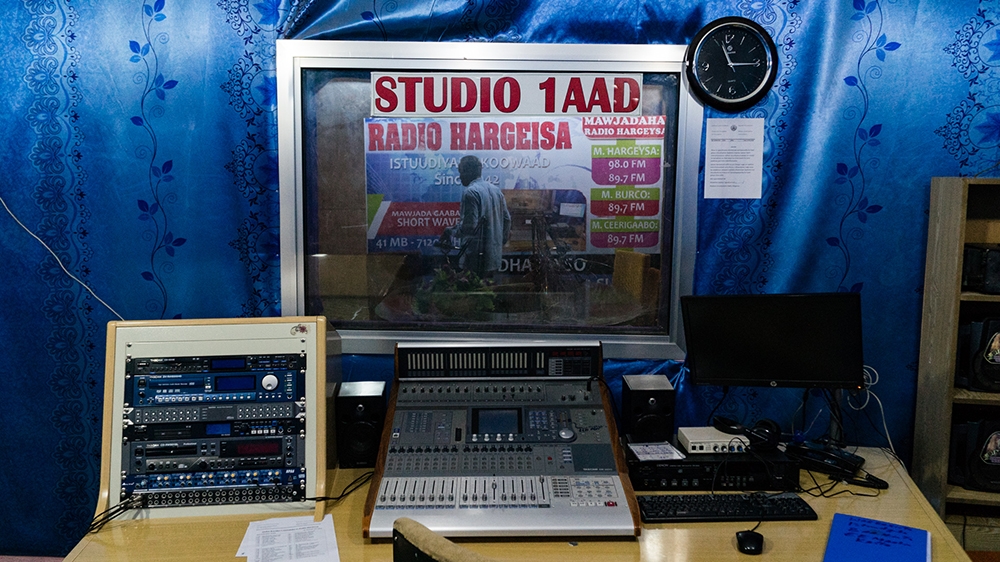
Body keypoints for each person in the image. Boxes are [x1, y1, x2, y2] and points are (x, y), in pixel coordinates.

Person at [442, 155, 511, 278]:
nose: (460, 176)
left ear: (469, 171)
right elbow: (507, 219)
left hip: (475, 260)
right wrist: (498, 243)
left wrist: (450, 231)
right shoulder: (496, 191)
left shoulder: (470, 192)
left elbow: (470, 227)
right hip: (494, 259)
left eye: (461, 172)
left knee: (473, 294)